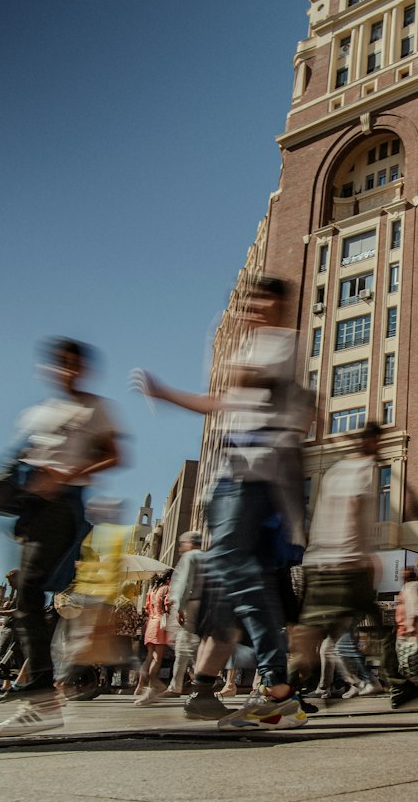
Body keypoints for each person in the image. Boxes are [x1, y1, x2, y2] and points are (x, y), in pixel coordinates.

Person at [132, 277, 309, 731]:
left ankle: (277, 692)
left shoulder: (279, 343)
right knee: (243, 586)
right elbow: (220, 401)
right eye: (246, 303)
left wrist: (220, 347)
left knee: (242, 577)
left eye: (259, 302)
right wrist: (167, 394)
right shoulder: (252, 348)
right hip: (236, 478)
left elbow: (251, 384)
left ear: (278, 306)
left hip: (253, 479)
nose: (250, 310)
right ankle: (218, 691)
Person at [0, 338, 122, 738]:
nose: (68, 371)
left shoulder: (95, 409)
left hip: (64, 505)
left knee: (30, 594)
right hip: (34, 509)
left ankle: (42, 696)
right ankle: (42, 693)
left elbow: (114, 455)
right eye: (60, 364)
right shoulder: (38, 414)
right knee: (28, 598)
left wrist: (66, 474)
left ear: (85, 369)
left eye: (74, 364)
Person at [298, 421, 385, 702]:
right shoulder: (361, 471)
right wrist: (362, 558)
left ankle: (285, 690)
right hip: (344, 564)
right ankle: (375, 679)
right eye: (378, 442)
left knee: (325, 633)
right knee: (367, 625)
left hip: (319, 561)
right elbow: (353, 511)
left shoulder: (334, 471)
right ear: (370, 442)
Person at [160, 530, 203, 698]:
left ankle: (191, 683)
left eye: (182, 544)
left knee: (185, 647)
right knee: (188, 647)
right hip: (201, 605)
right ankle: (181, 684)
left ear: (190, 543)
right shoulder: (205, 557)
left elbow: (185, 582)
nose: (180, 548)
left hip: (189, 605)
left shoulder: (190, 557)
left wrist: (180, 607)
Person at [392, 567, 418, 707]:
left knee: (407, 659)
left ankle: (411, 688)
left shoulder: (411, 587)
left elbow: (415, 606)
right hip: (406, 629)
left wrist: (412, 625)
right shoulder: (416, 586)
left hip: (407, 631)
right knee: (414, 658)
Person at [134, 569, 173, 706]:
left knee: (149, 656)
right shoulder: (167, 589)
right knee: (157, 658)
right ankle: (152, 684)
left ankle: (140, 686)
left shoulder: (152, 591)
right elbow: (168, 606)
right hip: (160, 624)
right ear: (168, 579)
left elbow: (146, 608)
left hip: (150, 623)